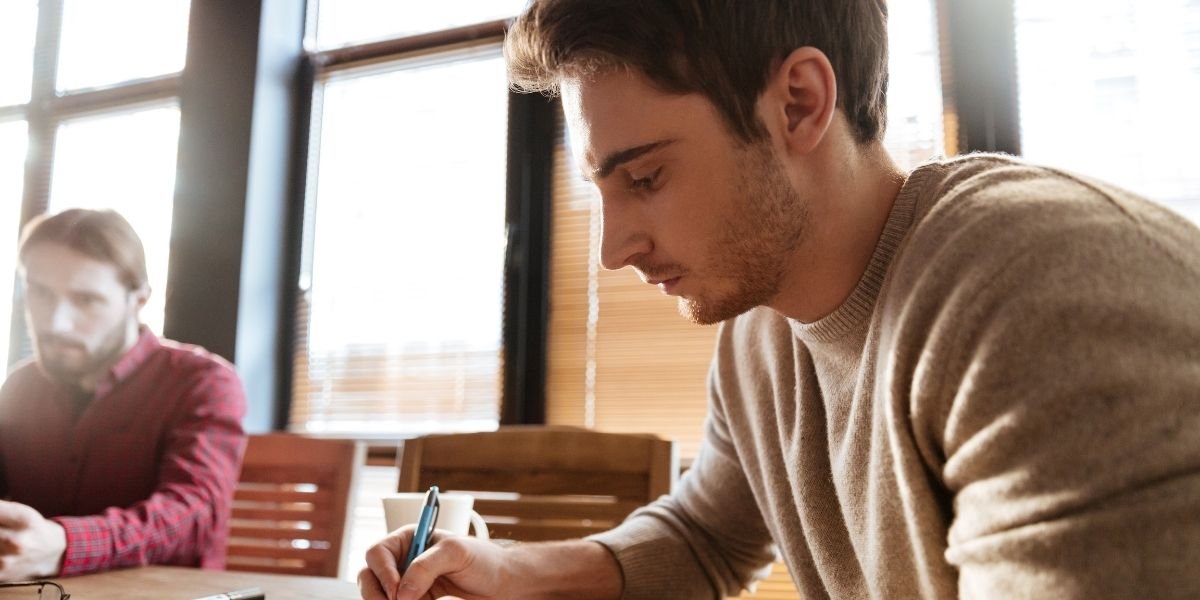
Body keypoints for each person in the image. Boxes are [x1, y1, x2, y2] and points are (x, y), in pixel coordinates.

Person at [360, 1, 1200, 598]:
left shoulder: (1034, 296)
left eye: (645, 177)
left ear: (799, 103)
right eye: (603, 190)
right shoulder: (761, 331)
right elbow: (704, 537)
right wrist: (506, 569)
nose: (613, 250)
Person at [0, 209, 247, 580]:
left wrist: (65, 545)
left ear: (139, 300)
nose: (56, 322)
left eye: (86, 300)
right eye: (41, 293)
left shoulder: (203, 383)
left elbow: (189, 517)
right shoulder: (20, 387)